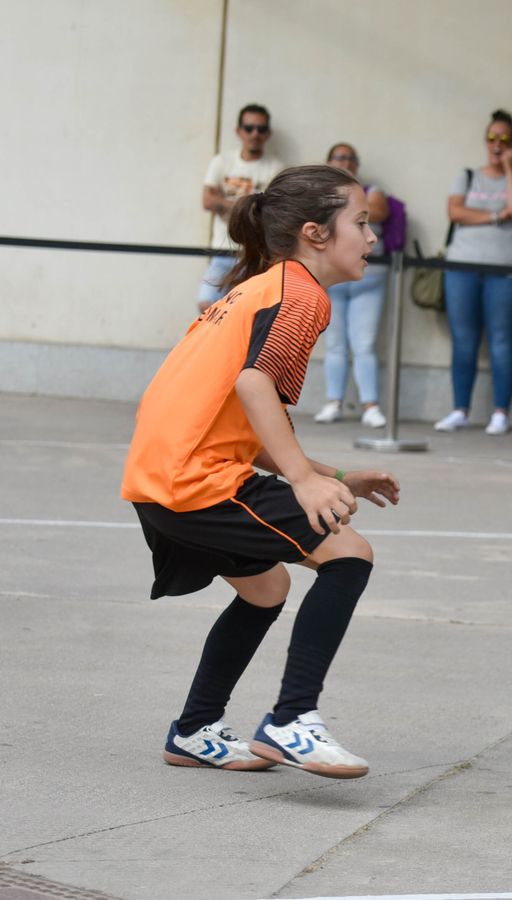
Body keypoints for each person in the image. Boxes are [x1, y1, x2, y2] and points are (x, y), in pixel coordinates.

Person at [122, 165, 400, 779]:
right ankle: (291, 719)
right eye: (360, 223)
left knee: (266, 588)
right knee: (348, 553)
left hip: (160, 474)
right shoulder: (302, 294)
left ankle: (194, 730)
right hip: (194, 479)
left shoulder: (263, 287)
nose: (372, 237)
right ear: (315, 233)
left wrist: (330, 472)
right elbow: (256, 385)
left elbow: (248, 412)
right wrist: (304, 480)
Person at [434, 110, 512, 436]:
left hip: (509, 271)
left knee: (502, 340)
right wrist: (495, 216)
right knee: (463, 340)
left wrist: (509, 167)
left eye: (504, 138)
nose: (497, 144)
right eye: (492, 138)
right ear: (485, 140)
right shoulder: (466, 176)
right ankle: (460, 410)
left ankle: (500, 413)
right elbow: (454, 211)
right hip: (463, 267)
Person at [313, 143, 391, 429]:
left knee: (364, 343)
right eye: (338, 158)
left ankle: (370, 405)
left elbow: (378, 212)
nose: (344, 162)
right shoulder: (319, 195)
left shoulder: (372, 191)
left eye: (349, 158)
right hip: (333, 278)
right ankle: (334, 401)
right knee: (334, 344)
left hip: (368, 280)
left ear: (357, 164)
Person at [197, 104, 283, 314]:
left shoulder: (276, 168)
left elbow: (272, 212)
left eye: (261, 129)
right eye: (249, 128)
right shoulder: (222, 161)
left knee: (242, 313)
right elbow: (207, 200)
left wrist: (225, 203)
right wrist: (248, 205)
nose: (255, 134)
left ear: (268, 133)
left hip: (255, 253)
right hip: (222, 249)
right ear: (239, 131)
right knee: (207, 305)